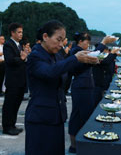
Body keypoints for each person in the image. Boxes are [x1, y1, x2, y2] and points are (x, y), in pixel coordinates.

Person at [25, 20, 98, 155]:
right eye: (58, 40)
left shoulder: (57, 54)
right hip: (40, 119)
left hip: (57, 116)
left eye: (62, 40)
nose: (60, 45)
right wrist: (75, 58)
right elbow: (50, 72)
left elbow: (69, 69)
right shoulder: (35, 56)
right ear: (45, 36)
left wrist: (89, 62)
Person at [68, 33, 116, 153]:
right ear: (80, 41)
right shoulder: (77, 51)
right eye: (86, 42)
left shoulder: (80, 50)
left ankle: (79, 144)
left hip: (86, 87)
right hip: (81, 87)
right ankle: (76, 145)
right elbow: (94, 54)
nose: (88, 44)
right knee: (78, 116)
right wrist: (104, 42)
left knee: (83, 115)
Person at [2, 23, 29, 135]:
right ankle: (7, 127)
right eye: (18, 32)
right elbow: (9, 60)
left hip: (20, 80)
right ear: (12, 33)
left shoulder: (18, 45)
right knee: (9, 105)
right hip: (13, 81)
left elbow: (22, 60)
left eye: (21, 32)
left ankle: (12, 125)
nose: (21, 34)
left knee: (16, 104)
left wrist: (25, 57)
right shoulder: (8, 44)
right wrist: (22, 58)